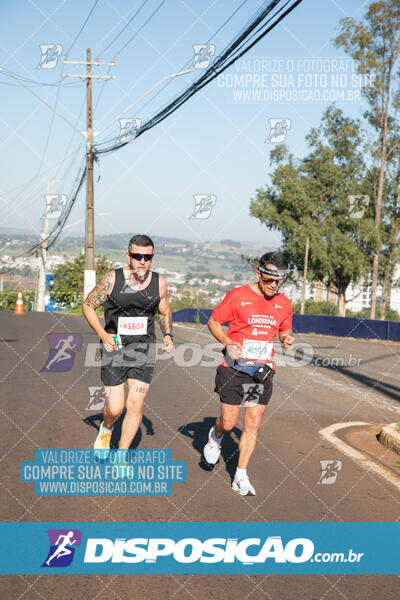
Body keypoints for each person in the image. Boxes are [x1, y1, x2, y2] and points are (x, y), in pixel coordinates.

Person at [203, 251, 295, 496]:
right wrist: (226, 341)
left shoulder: (283, 303)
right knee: (229, 422)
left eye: (279, 281)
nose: (274, 286)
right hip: (234, 369)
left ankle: (240, 475)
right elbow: (213, 322)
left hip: (260, 373)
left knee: (252, 423)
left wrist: (286, 338)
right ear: (258, 274)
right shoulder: (238, 296)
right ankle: (216, 436)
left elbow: (285, 329)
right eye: (269, 280)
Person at [82, 234, 174, 456]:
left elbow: (164, 311)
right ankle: (107, 427)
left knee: (136, 403)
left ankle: (121, 456)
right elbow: (87, 306)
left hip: (143, 349)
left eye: (148, 257)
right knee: (115, 408)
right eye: (137, 256)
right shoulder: (113, 279)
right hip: (115, 347)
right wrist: (103, 334)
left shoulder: (159, 282)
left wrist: (168, 334)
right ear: (128, 255)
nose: (142, 261)